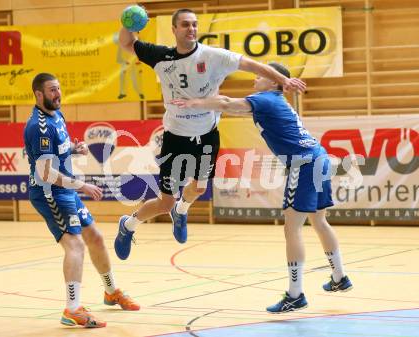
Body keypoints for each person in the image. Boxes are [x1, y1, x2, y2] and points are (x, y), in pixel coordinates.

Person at [114, 8, 306, 260]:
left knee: (198, 188)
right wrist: (129, 22)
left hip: (206, 136)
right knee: (165, 202)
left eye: (194, 24)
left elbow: (252, 64)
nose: (191, 29)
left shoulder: (214, 56)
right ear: (174, 30)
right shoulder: (160, 56)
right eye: (185, 25)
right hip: (175, 137)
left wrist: (284, 79)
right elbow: (126, 42)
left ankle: (182, 211)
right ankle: (128, 225)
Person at [170, 62, 353, 313]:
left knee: (292, 228)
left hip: (304, 164)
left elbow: (225, 103)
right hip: (318, 157)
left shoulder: (265, 99)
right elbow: (232, 108)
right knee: (318, 221)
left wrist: (194, 102)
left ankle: (295, 294)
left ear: (274, 81)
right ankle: (340, 277)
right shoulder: (273, 102)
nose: (256, 78)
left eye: (261, 75)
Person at [23, 73, 140, 328]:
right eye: (52, 90)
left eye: (59, 89)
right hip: (49, 193)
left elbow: (57, 152)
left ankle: (111, 292)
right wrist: (82, 185)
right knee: (75, 245)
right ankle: (72, 308)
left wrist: (74, 149)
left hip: (65, 190)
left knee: (95, 237)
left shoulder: (57, 115)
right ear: (39, 94)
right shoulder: (38, 126)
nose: (58, 94)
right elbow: (44, 173)